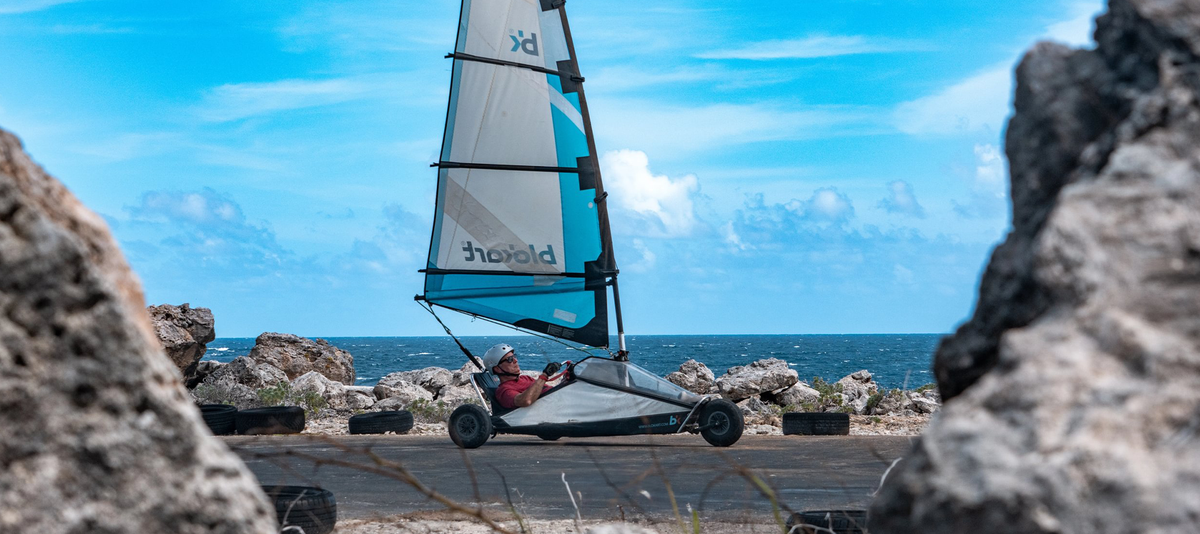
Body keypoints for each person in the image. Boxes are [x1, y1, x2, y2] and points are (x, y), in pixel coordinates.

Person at [481, 343, 561, 409]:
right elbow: (525, 400)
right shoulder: (504, 390)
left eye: (514, 357)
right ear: (497, 369)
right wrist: (545, 375)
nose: (516, 360)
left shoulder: (526, 378)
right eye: (510, 359)